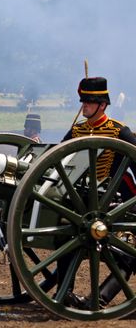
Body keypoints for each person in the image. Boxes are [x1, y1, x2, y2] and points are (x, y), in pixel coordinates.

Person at [58, 77, 136, 308]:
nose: (84, 106)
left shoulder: (118, 131)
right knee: (65, 235)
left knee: (128, 251)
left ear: (102, 105)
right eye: (83, 101)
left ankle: (100, 297)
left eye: (90, 102)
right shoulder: (77, 130)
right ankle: (65, 292)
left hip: (115, 200)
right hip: (81, 199)